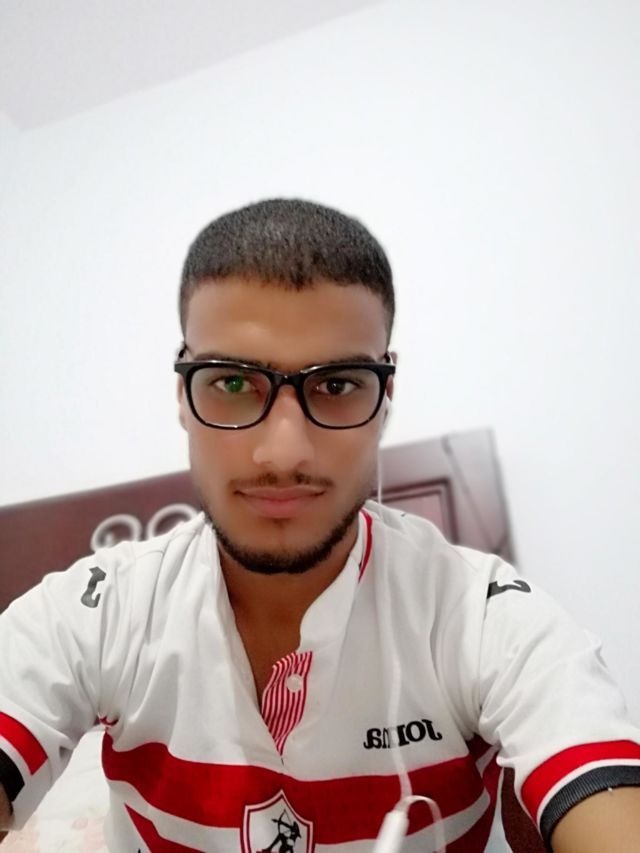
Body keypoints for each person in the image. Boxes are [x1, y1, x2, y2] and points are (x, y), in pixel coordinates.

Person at [1, 199, 639, 852]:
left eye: (336, 385)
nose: (283, 453)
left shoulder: (480, 619)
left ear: (385, 398)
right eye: (231, 382)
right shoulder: (95, 614)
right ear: (182, 396)